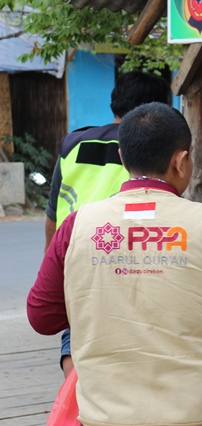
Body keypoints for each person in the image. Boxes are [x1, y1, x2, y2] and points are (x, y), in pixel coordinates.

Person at [27, 102, 202, 426]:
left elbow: (42, 317)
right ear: (182, 161)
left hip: (107, 417)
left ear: (122, 158)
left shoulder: (76, 227)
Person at [44, 71, 173, 378]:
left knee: (76, 332)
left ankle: (77, 402)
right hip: (129, 263)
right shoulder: (150, 150)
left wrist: (54, 263)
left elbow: (52, 214)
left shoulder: (72, 143)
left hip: (75, 254)